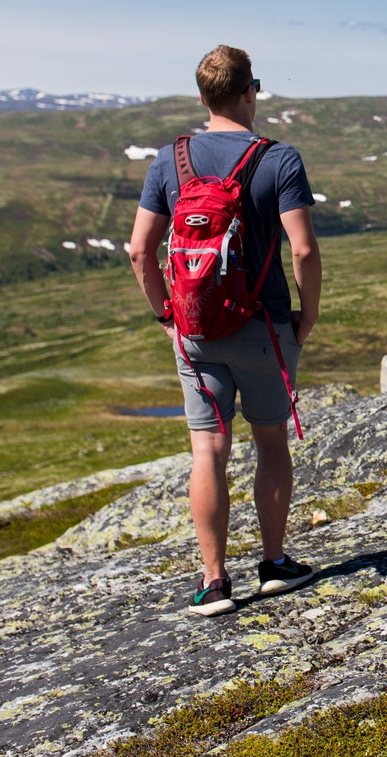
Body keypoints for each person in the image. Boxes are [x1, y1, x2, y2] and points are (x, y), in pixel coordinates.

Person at [128, 45, 321, 616]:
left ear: (201, 97)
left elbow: (140, 250)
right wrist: (306, 316)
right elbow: (304, 250)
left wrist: (168, 315)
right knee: (270, 443)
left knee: (208, 451)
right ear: (249, 92)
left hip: (197, 333)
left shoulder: (171, 160)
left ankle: (214, 582)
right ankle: (274, 564)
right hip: (263, 325)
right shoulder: (279, 159)